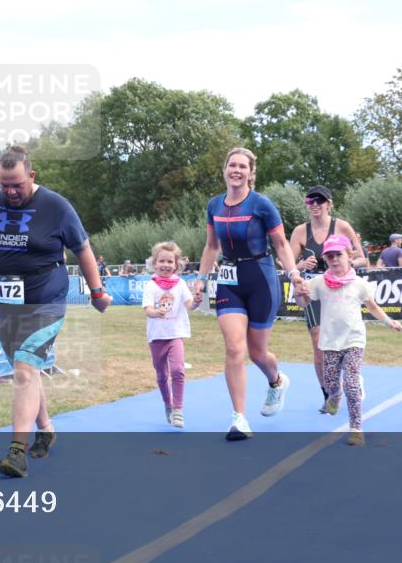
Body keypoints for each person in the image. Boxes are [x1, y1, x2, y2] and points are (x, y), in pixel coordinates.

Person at [0, 146, 111, 477]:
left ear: (31, 176)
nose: (10, 192)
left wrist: (97, 292)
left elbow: (82, 249)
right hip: (5, 302)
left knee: (24, 369)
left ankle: (16, 452)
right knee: (28, 371)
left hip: (46, 300)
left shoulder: (56, 206)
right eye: (5, 185)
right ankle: (46, 428)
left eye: (17, 185)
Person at [192, 147, 304, 441]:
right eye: (232, 165)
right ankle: (239, 418)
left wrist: (293, 273)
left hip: (261, 278)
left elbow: (281, 245)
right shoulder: (214, 205)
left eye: (243, 166)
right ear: (225, 169)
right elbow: (212, 246)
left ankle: (276, 381)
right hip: (229, 280)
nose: (237, 170)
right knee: (234, 348)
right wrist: (201, 278)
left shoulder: (262, 205)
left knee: (257, 353)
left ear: (250, 173)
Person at [294, 235, 402, 446]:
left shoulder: (359, 284)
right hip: (330, 343)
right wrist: (299, 293)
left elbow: (372, 306)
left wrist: (389, 322)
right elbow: (303, 302)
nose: (334, 259)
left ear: (349, 256)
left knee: (351, 384)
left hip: (354, 340)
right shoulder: (318, 282)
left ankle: (356, 428)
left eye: (338, 255)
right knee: (332, 383)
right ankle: (334, 396)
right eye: (330, 256)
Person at [288, 185, 366, 410]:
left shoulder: (341, 227)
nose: (315, 205)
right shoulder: (300, 231)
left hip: (341, 290)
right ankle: (329, 394)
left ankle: (352, 377)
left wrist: (346, 263)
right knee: (319, 343)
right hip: (315, 288)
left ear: (329, 204)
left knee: (344, 340)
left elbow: (362, 259)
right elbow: (287, 263)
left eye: (319, 201)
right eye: (310, 201)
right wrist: (300, 266)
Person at [142, 241, 196, 428]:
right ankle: (168, 404)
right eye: (161, 261)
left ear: (176, 264)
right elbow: (147, 309)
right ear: (154, 263)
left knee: (178, 370)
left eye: (170, 262)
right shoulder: (150, 286)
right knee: (161, 375)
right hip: (156, 337)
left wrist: (196, 302)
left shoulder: (180, 284)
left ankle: (178, 409)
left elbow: (189, 304)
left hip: (175, 333)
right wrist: (155, 313)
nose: (165, 265)